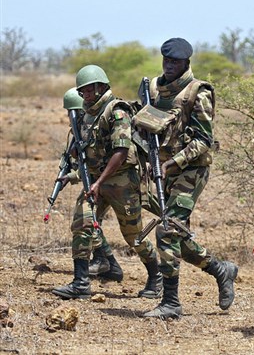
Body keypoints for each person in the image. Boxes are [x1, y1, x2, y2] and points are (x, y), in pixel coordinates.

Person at [136, 38, 238, 319]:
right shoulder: (153, 89)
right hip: (161, 167)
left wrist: (174, 162)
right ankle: (220, 270)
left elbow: (204, 140)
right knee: (178, 236)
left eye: (175, 62)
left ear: (186, 64)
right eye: (166, 61)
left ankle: (171, 302)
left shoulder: (197, 91)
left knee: (167, 229)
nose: (169, 66)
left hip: (191, 169)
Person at [52, 65, 162, 300]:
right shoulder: (85, 114)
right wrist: (75, 164)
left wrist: (99, 181)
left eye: (89, 89)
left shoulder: (117, 111)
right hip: (95, 182)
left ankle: (157, 277)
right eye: (82, 91)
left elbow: (121, 151)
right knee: (82, 225)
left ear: (102, 87)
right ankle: (81, 283)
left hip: (121, 181)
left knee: (133, 236)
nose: (86, 95)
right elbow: (86, 152)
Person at [58, 87, 124, 283]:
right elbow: (85, 166)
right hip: (99, 184)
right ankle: (102, 266)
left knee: (133, 235)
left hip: (119, 183)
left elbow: (102, 161)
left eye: (75, 113)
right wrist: (72, 174)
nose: (72, 117)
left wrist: (92, 179)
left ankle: (153, 274)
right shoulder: (79, 132)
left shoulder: (99, 126)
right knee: (85, 221)